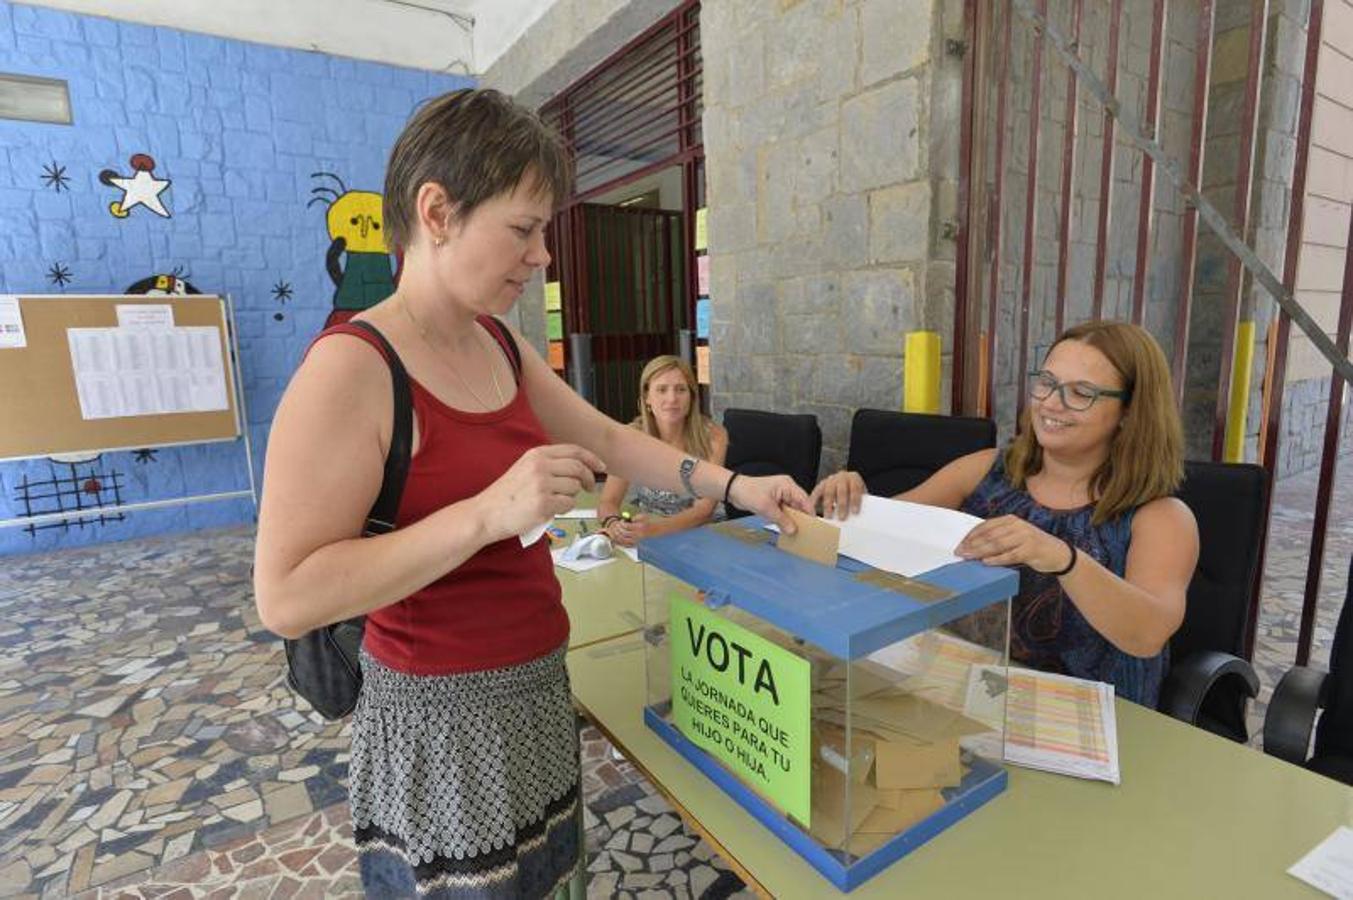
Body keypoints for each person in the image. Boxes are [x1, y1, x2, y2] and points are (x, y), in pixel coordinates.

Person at [252, 88, 810, 899]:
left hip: (537, 687)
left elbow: (612, 439)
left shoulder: (497, 343)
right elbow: (288, 596)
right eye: (523, 228)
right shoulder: (351, 369)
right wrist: (486, 514)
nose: (543, 256)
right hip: (442, 723)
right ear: (436, 212)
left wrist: (740, 486)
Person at [811, 320, 1198, 707]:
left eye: (1081, 393)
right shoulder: (989, 468)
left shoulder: (1161, 517)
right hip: (963, 691)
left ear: (1130, 412)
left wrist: (1064, 559)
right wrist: (846, 498)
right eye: (1046, 382)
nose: (1051, 402)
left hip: (1089, 716)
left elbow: (1148, 634)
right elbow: (887, 525)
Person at [597, 356, 727, 547]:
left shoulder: (713, 436)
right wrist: (614, 524)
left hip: (701, 535)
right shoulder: (632, 436)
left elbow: (704, 510)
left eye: (681, 389)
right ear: (647, 397)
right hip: (646, 535)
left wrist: (655, 530)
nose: (672, 398)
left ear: (691, 397)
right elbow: (609, 500)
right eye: (662, 389)